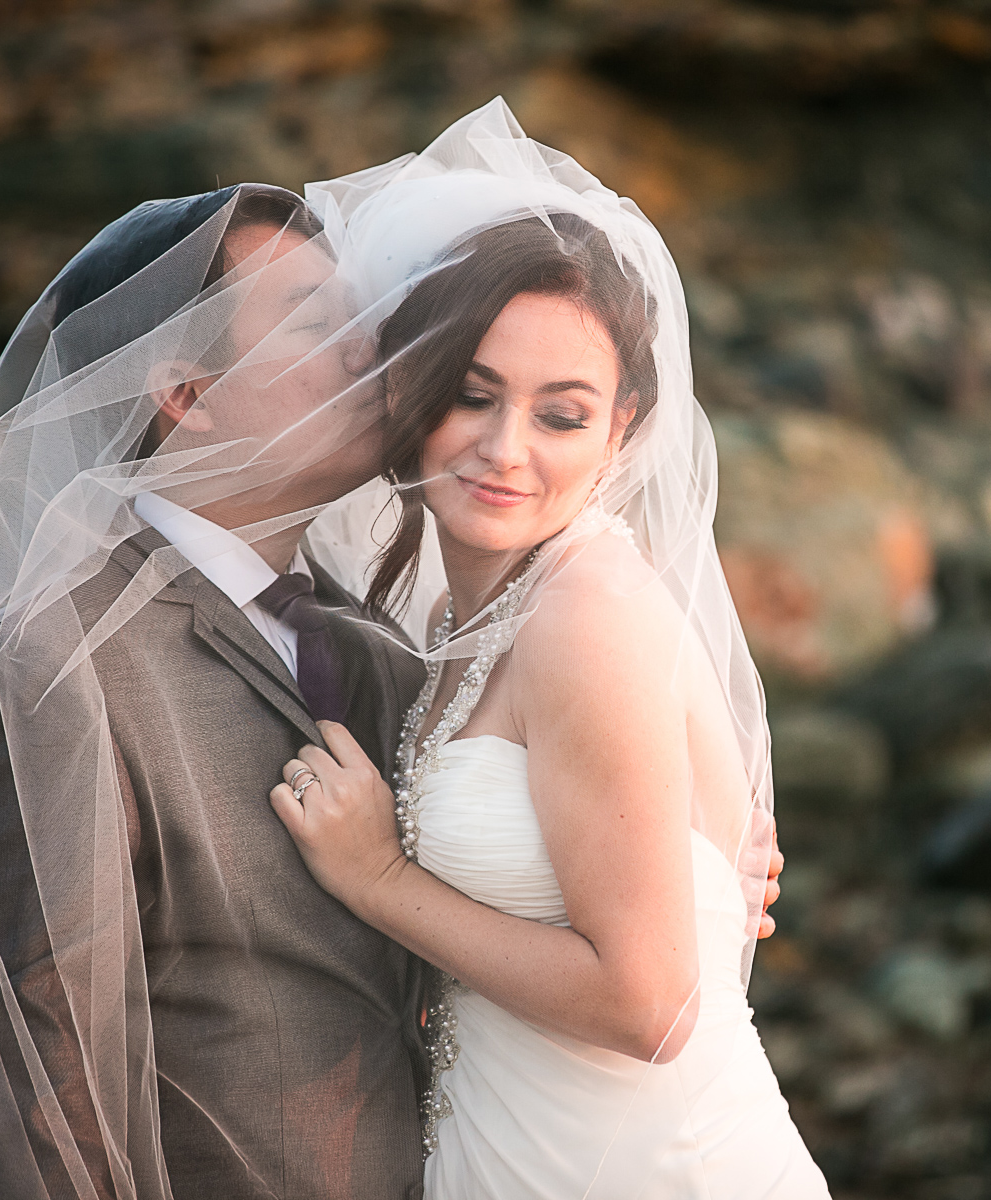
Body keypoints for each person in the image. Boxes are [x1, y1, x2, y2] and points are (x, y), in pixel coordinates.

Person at [275, 99, 829, 1198]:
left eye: (560, 416)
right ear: (411, 393)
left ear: (621, 429)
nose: (503, 449)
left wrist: (381, 878)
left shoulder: (587, 614)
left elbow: (653, 1005)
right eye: (471, 394)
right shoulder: (468, 615)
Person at [0, 184, 439, 1200]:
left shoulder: (387, 652)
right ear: (185, 396)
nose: (367, 347)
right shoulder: (46, 659)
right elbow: (36, 1082)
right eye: (312, 320)